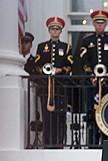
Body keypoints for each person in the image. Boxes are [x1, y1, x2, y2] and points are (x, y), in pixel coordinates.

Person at [79, 9, 108, 146]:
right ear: (93, 24)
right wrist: (91, 74)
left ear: (106, 24)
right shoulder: (86, 41)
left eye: (102, 23)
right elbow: (83, 60)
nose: (100, 26)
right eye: (97, 23)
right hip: (92, 83)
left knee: (107, 112)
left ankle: (106, 142)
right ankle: (92, 143)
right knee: (91, 112)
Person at [34, 17, 73, 148]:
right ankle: (47, 143)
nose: (55, 31)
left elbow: (70, 65)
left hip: (60, 88)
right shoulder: (41, 46)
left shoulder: (66, 47)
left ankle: (59, 143)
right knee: (47, 117)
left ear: (61, 31)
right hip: (46, 88)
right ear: (49, 30)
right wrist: (44, 70)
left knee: (60, 118)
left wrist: (60, 70)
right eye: (52, 29)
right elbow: (37, 65)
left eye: (57, 29)